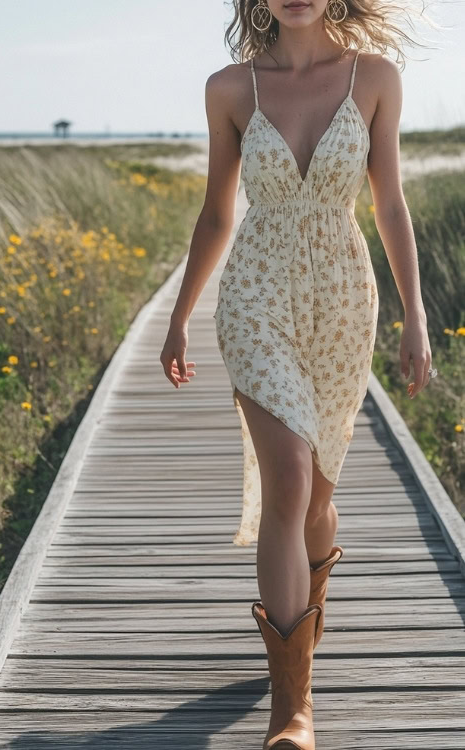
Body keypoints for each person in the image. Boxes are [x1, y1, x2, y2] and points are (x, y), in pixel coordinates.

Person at [160, 1, 440, 747]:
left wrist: (415, 313)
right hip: (255, 296)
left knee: (317, 497)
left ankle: (303, 621)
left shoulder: (374, 77)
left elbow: (390, 201)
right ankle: (294, 711)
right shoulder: (230, 89)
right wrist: (181, 312)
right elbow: (218, 211)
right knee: (287, 479)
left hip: (343, 303)